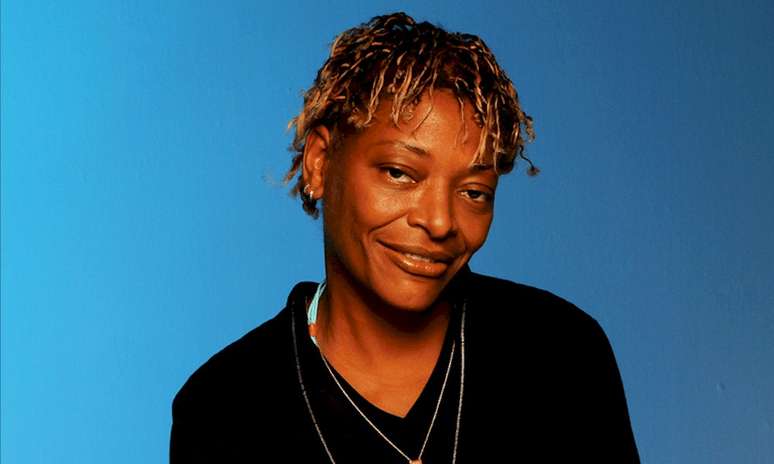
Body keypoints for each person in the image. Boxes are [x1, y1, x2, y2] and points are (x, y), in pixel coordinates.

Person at [170, 12, 640, 463]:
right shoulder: (222, 410)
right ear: (319, 163)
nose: (439, 221)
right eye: (399, 173)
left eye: (474, 191)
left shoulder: (562, 354)